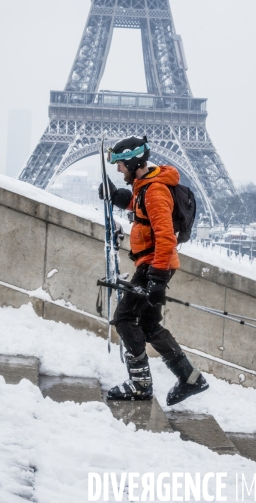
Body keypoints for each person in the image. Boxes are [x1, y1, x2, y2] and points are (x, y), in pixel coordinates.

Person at [98, 135, 209, 406]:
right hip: (155, 264)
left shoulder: (155, 190)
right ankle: (190, 378)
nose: (118, 169)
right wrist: (117, 197)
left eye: (121, 164)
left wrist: (157, 280)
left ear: (134, 162)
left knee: (125, 318)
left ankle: (140, 385)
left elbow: (165, 235)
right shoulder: (145, 185)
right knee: (148, 324)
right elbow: (141, 208)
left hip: (153, 265)